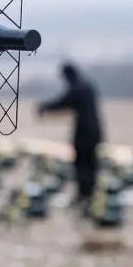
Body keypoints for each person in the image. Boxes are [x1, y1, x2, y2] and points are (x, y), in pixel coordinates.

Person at [38, 62, 104, 206]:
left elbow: (63, 102)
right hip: (94, 133)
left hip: (85, 135)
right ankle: (88, 196)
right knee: (90, 165)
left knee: (83, 165)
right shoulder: (87, 86)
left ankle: (85, 196)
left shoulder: (79, 89)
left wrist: (45, 107)